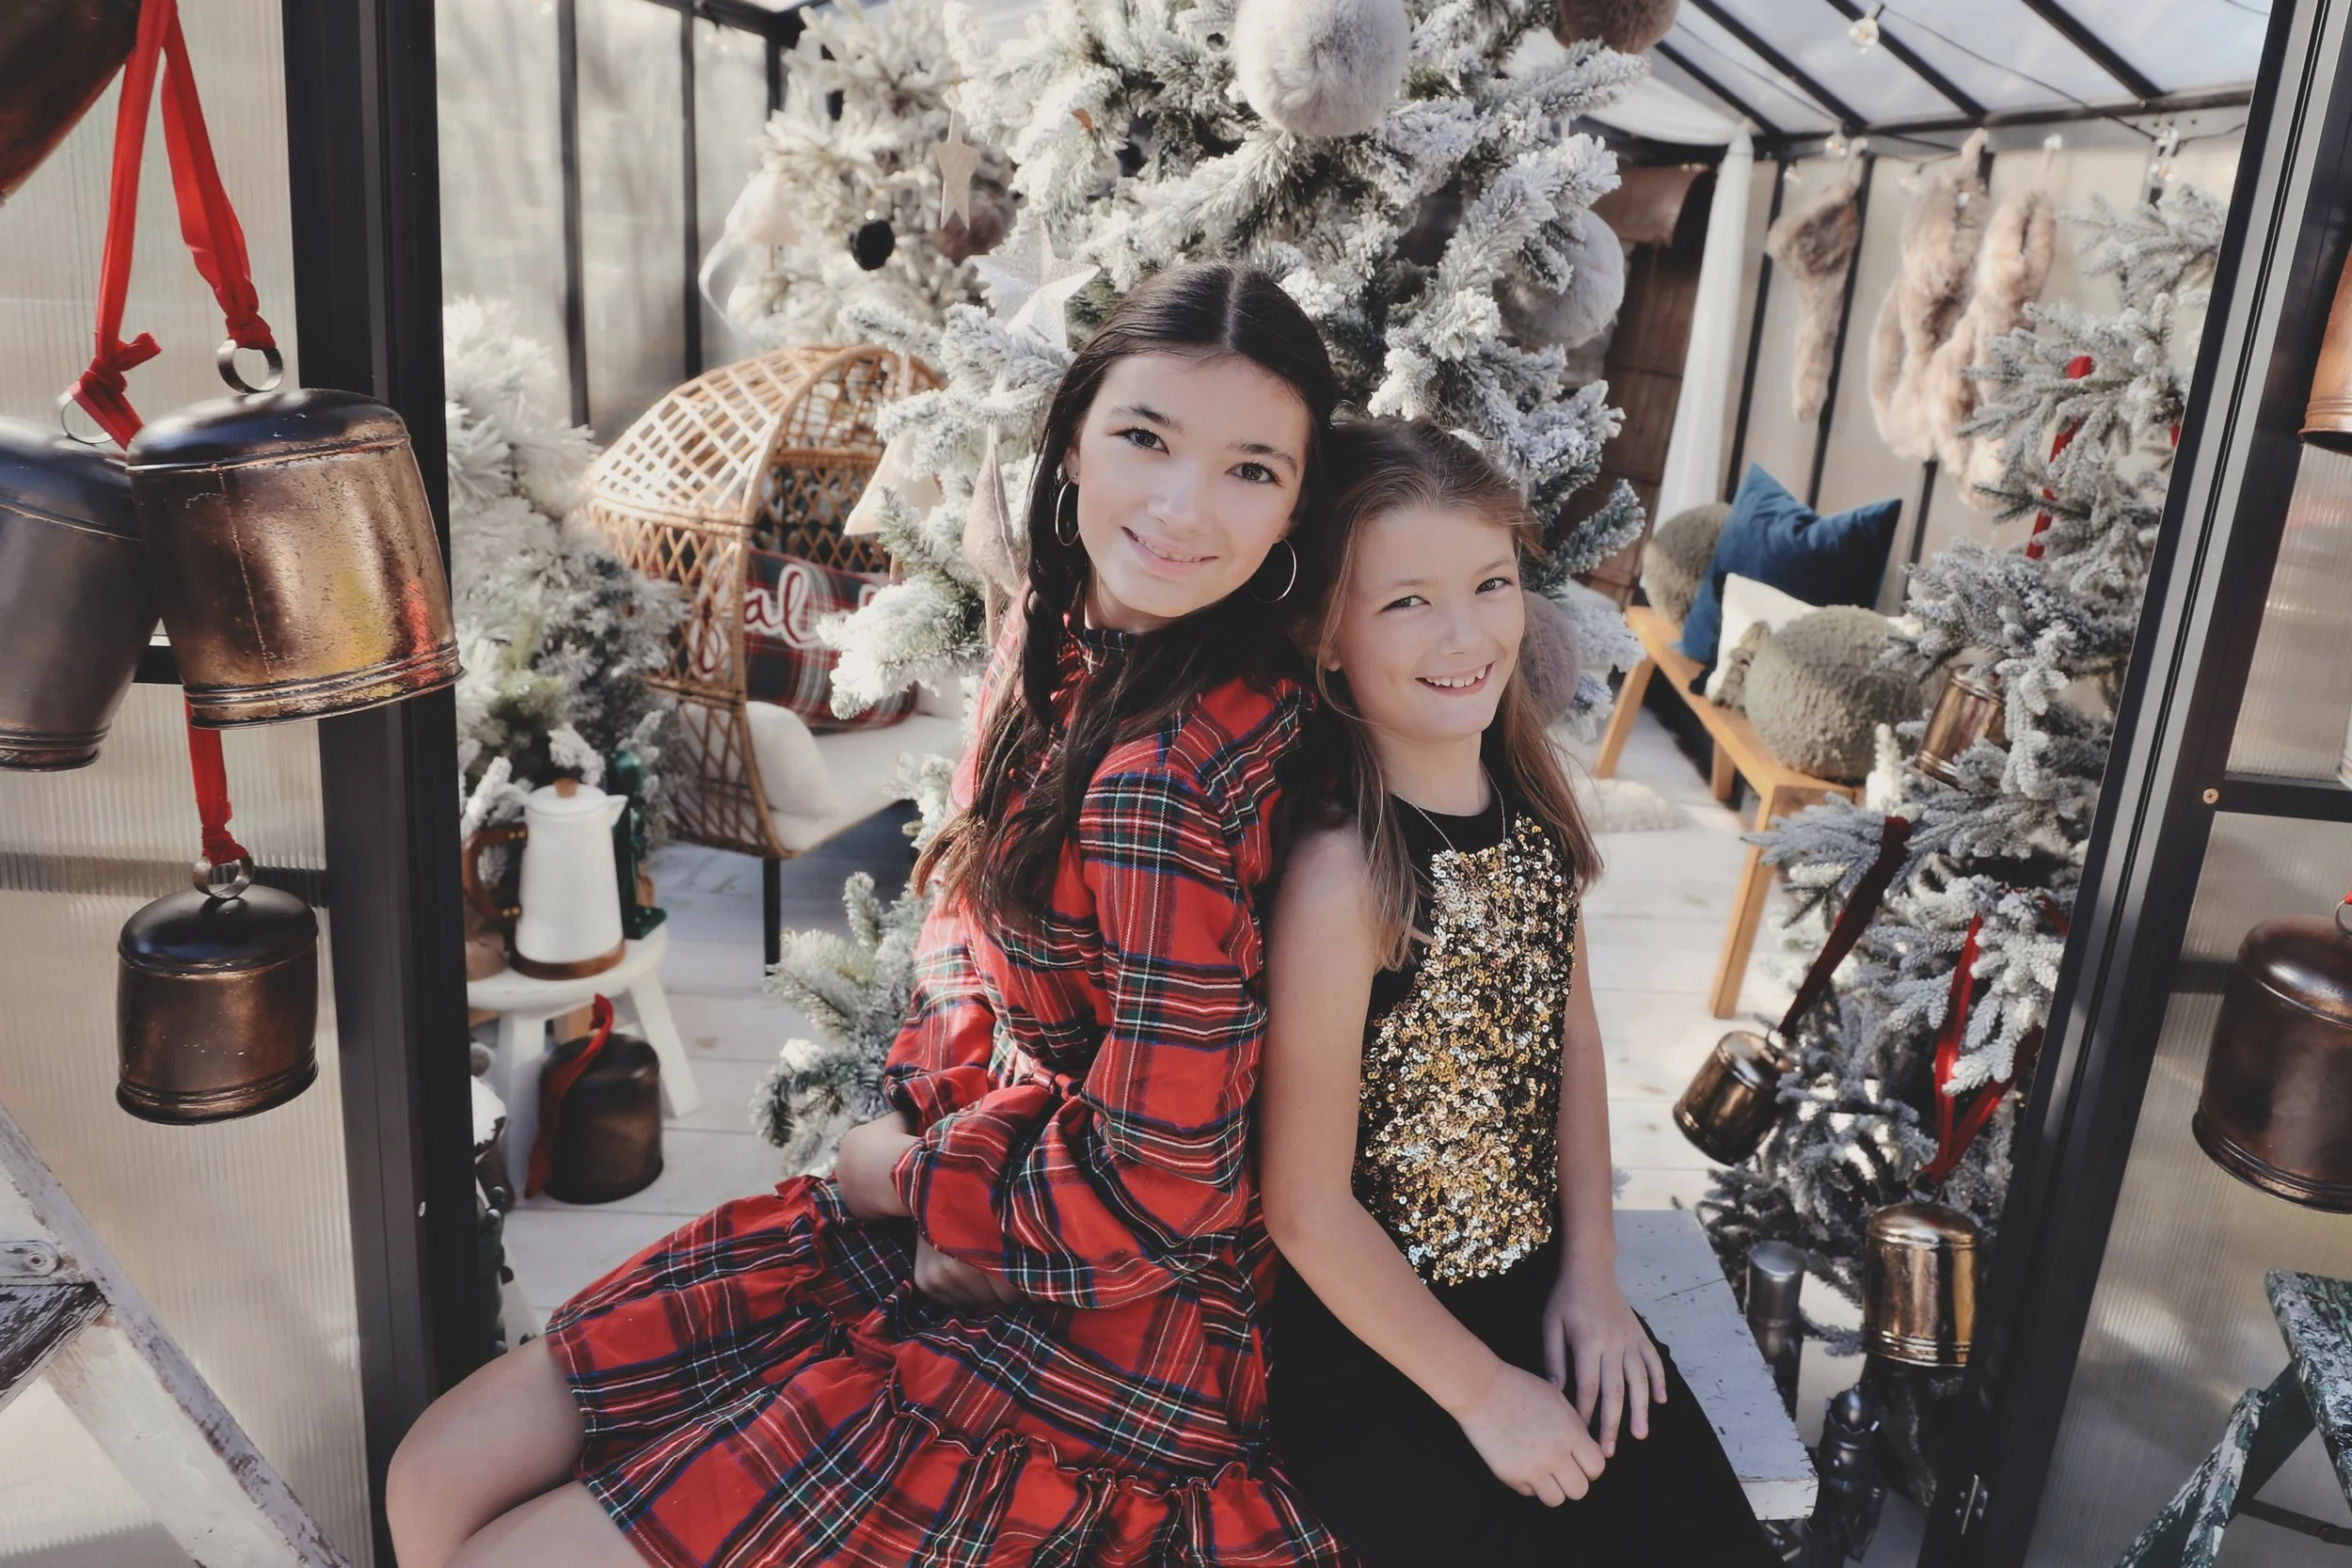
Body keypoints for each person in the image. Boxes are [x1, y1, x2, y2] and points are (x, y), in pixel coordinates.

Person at [385, 261, 1354, 1568]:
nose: (1185, 507)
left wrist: (912, 1180)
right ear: (1071, 440)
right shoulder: (1051, 635)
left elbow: (1170, 1182)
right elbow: (957, 938)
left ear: (1295, 504)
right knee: (435, 1478)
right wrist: (913, 1130)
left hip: (1106, 1312)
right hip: (956, 1180)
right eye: (1146, 437)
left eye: (1251, 469)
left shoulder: (1165, 781)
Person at [1257, 419, 1778, 1567]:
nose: (1465, 633)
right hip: (1382, 1343)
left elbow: (1573, 1044)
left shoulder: (1530, 812)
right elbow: (1304, 1208)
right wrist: (1484, 1391)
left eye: (1490, 583)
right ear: (1326, 634)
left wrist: (1592, 1273)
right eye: (1406, 601)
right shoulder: (1345, 877)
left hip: (1538, 1284)